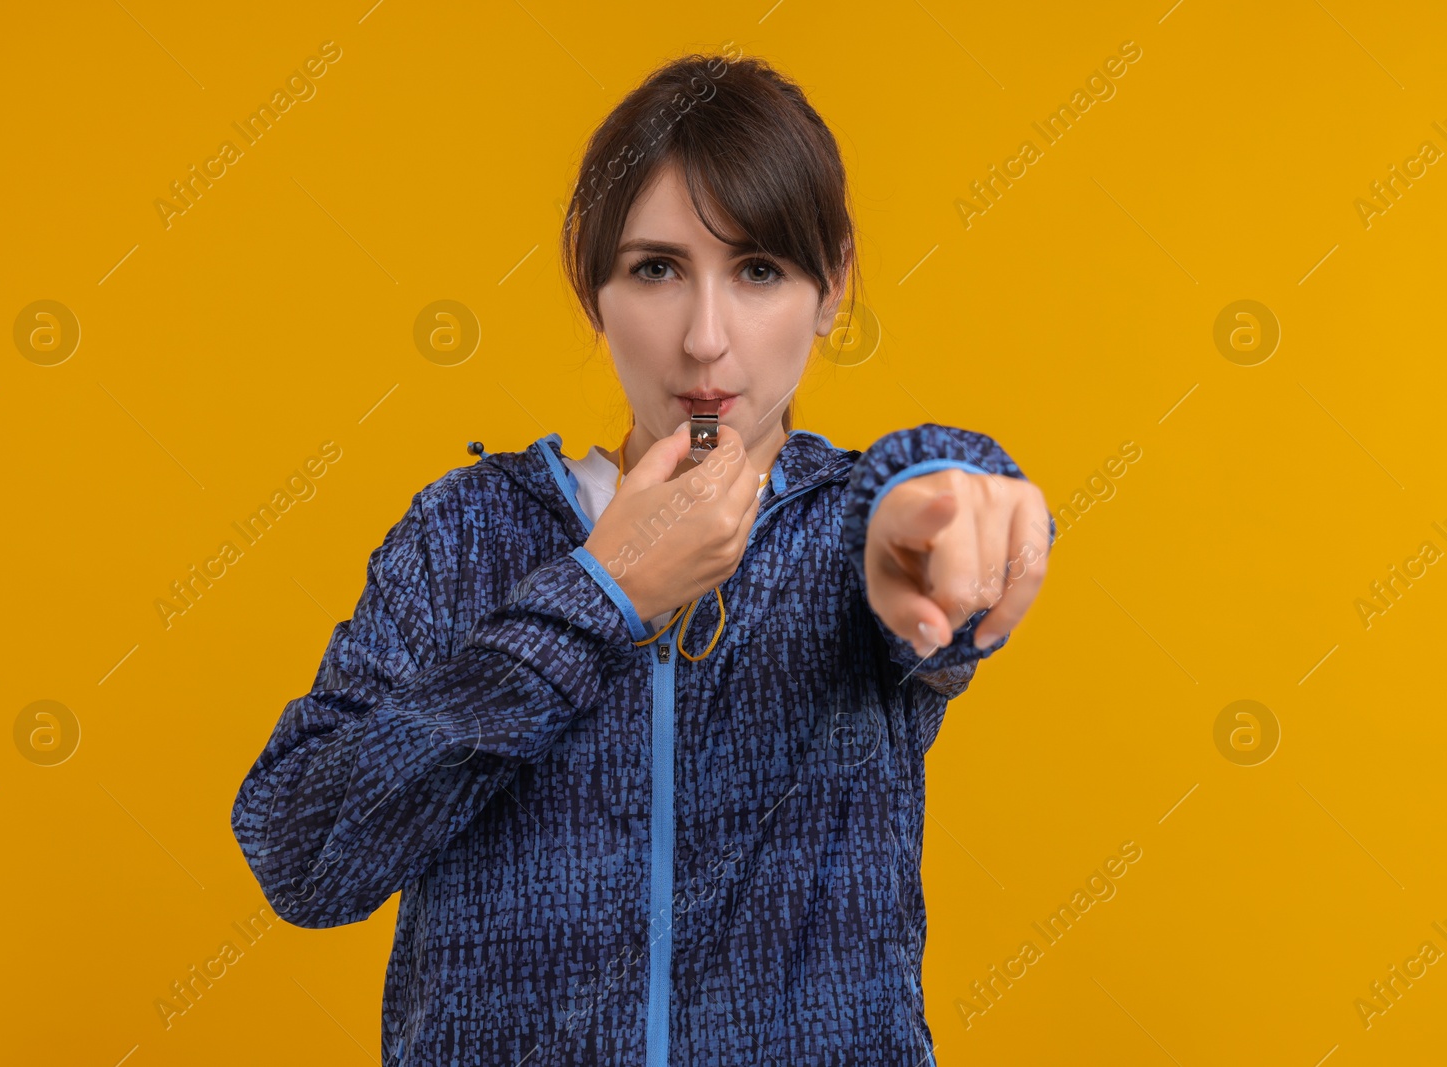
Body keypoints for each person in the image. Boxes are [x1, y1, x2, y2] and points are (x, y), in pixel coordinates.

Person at [231, 48, 1052, 1065]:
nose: (705, 341)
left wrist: (944, 499)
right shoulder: (464, 533)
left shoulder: (852, 535)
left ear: (832, 284)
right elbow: (304, 854)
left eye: (759, 270)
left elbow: (943, 513)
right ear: (593, 287)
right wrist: (599, 593)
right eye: (656, 269)